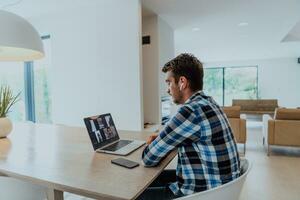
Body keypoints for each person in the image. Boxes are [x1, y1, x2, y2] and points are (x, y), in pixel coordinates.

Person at [138, 53, 240, 200]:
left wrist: (158, 141)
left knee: (129, 194)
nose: (168, 89)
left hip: (203, 194)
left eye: (169, 83)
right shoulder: (209, 102)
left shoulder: (190, 111)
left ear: (182, 82)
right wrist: (165, 138)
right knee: (150, 179)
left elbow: (148, 158)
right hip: (222, 189)